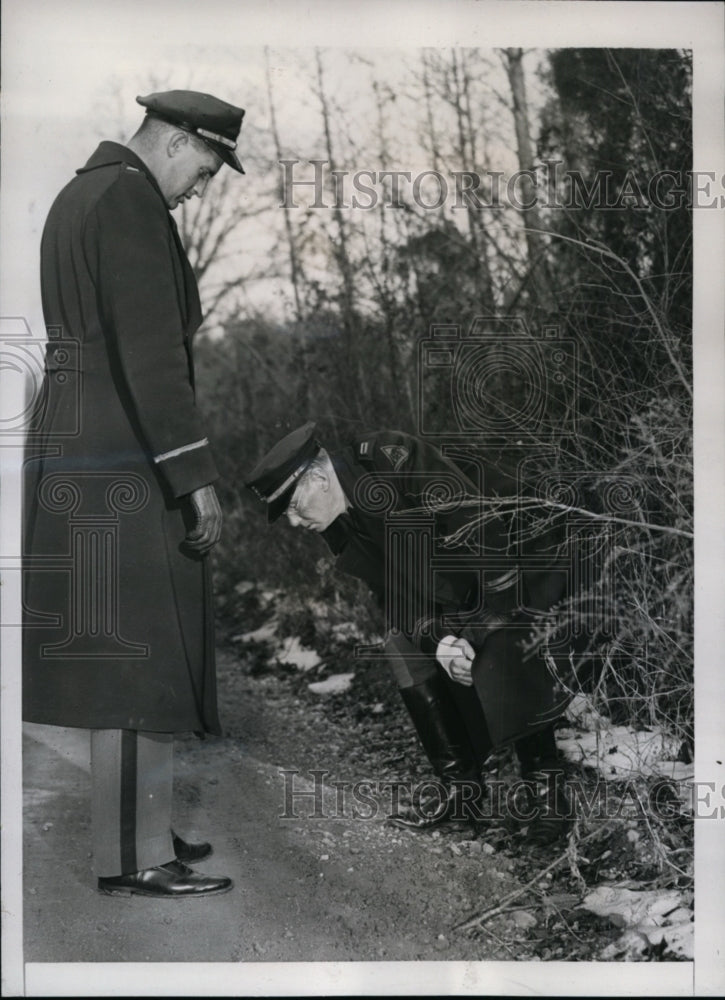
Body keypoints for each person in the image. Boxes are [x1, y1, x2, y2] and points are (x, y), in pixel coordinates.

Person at [23, 90, 245, 897]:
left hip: (79, 436)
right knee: (137, 651)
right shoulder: (130, 201)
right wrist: (194, 476)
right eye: (209, 169)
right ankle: (133, 853)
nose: (202, 188)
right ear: (181, 141)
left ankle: (140, 827)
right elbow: (151, 354)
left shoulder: (81, 192)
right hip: (122, 447)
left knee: (121, 645)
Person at [246, 423, 573, 842]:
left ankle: (548, 795)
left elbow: (486, 539)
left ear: (319, 479)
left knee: (506, 635)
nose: (293, 522)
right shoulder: (339, 521)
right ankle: (462, 796)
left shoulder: (392, 460)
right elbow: (391, 595)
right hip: (455, 594)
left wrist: (472, 635)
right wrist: (438, 642)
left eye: (292, 506)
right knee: (401, 645)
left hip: (520, 563)